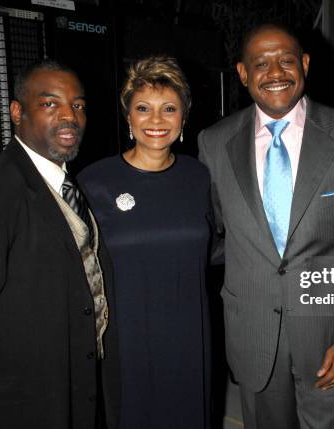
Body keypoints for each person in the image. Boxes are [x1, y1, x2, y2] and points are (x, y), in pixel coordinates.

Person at [198, 23, 334, 429]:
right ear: (243, 74)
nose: (276, 72)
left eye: (286, 60)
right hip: (253, 334)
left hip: (330, 335)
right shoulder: (213, 143)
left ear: (305, 63)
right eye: (260, 63)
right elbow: (210, 235)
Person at [0, 60, 119, 428]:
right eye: (50, 103)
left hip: (74, 394)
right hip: (19, 404)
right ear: (17, 112)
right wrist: (5, 360)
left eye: (78, 105)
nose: (69, 116)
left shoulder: (63, 184)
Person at [78, 55, 212, 429]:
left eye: (169, 108)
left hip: (189, 336)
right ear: (128, 117)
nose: (156, 120)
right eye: (143, 108)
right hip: (127, 340)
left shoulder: (199, 176)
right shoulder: (94, 181)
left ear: (184, 118)